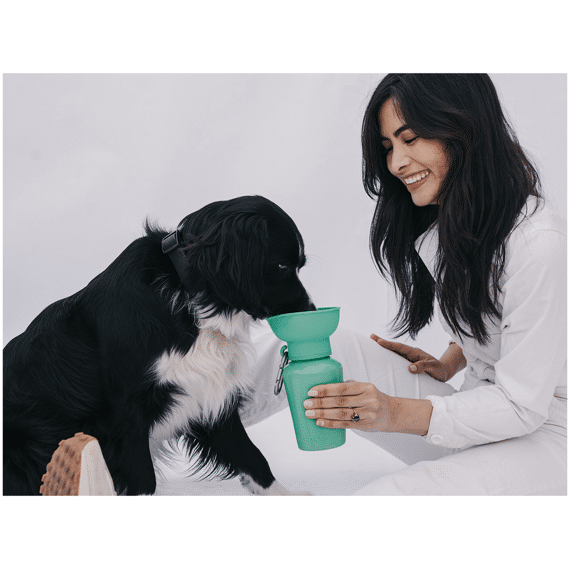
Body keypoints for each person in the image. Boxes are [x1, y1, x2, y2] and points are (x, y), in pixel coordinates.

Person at [245, 74, 566, 495]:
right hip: (477, 414)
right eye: (388, 147)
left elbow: (522, 404)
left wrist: (391, 411)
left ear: (465, 127)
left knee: (388, 497)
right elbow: (503, 316)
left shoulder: (540, 244)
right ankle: (179, 414)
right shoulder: (457, 224)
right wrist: (452, 360)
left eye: (410, 139)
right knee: (319, 346)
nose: (396, 163)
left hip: (544, 439)